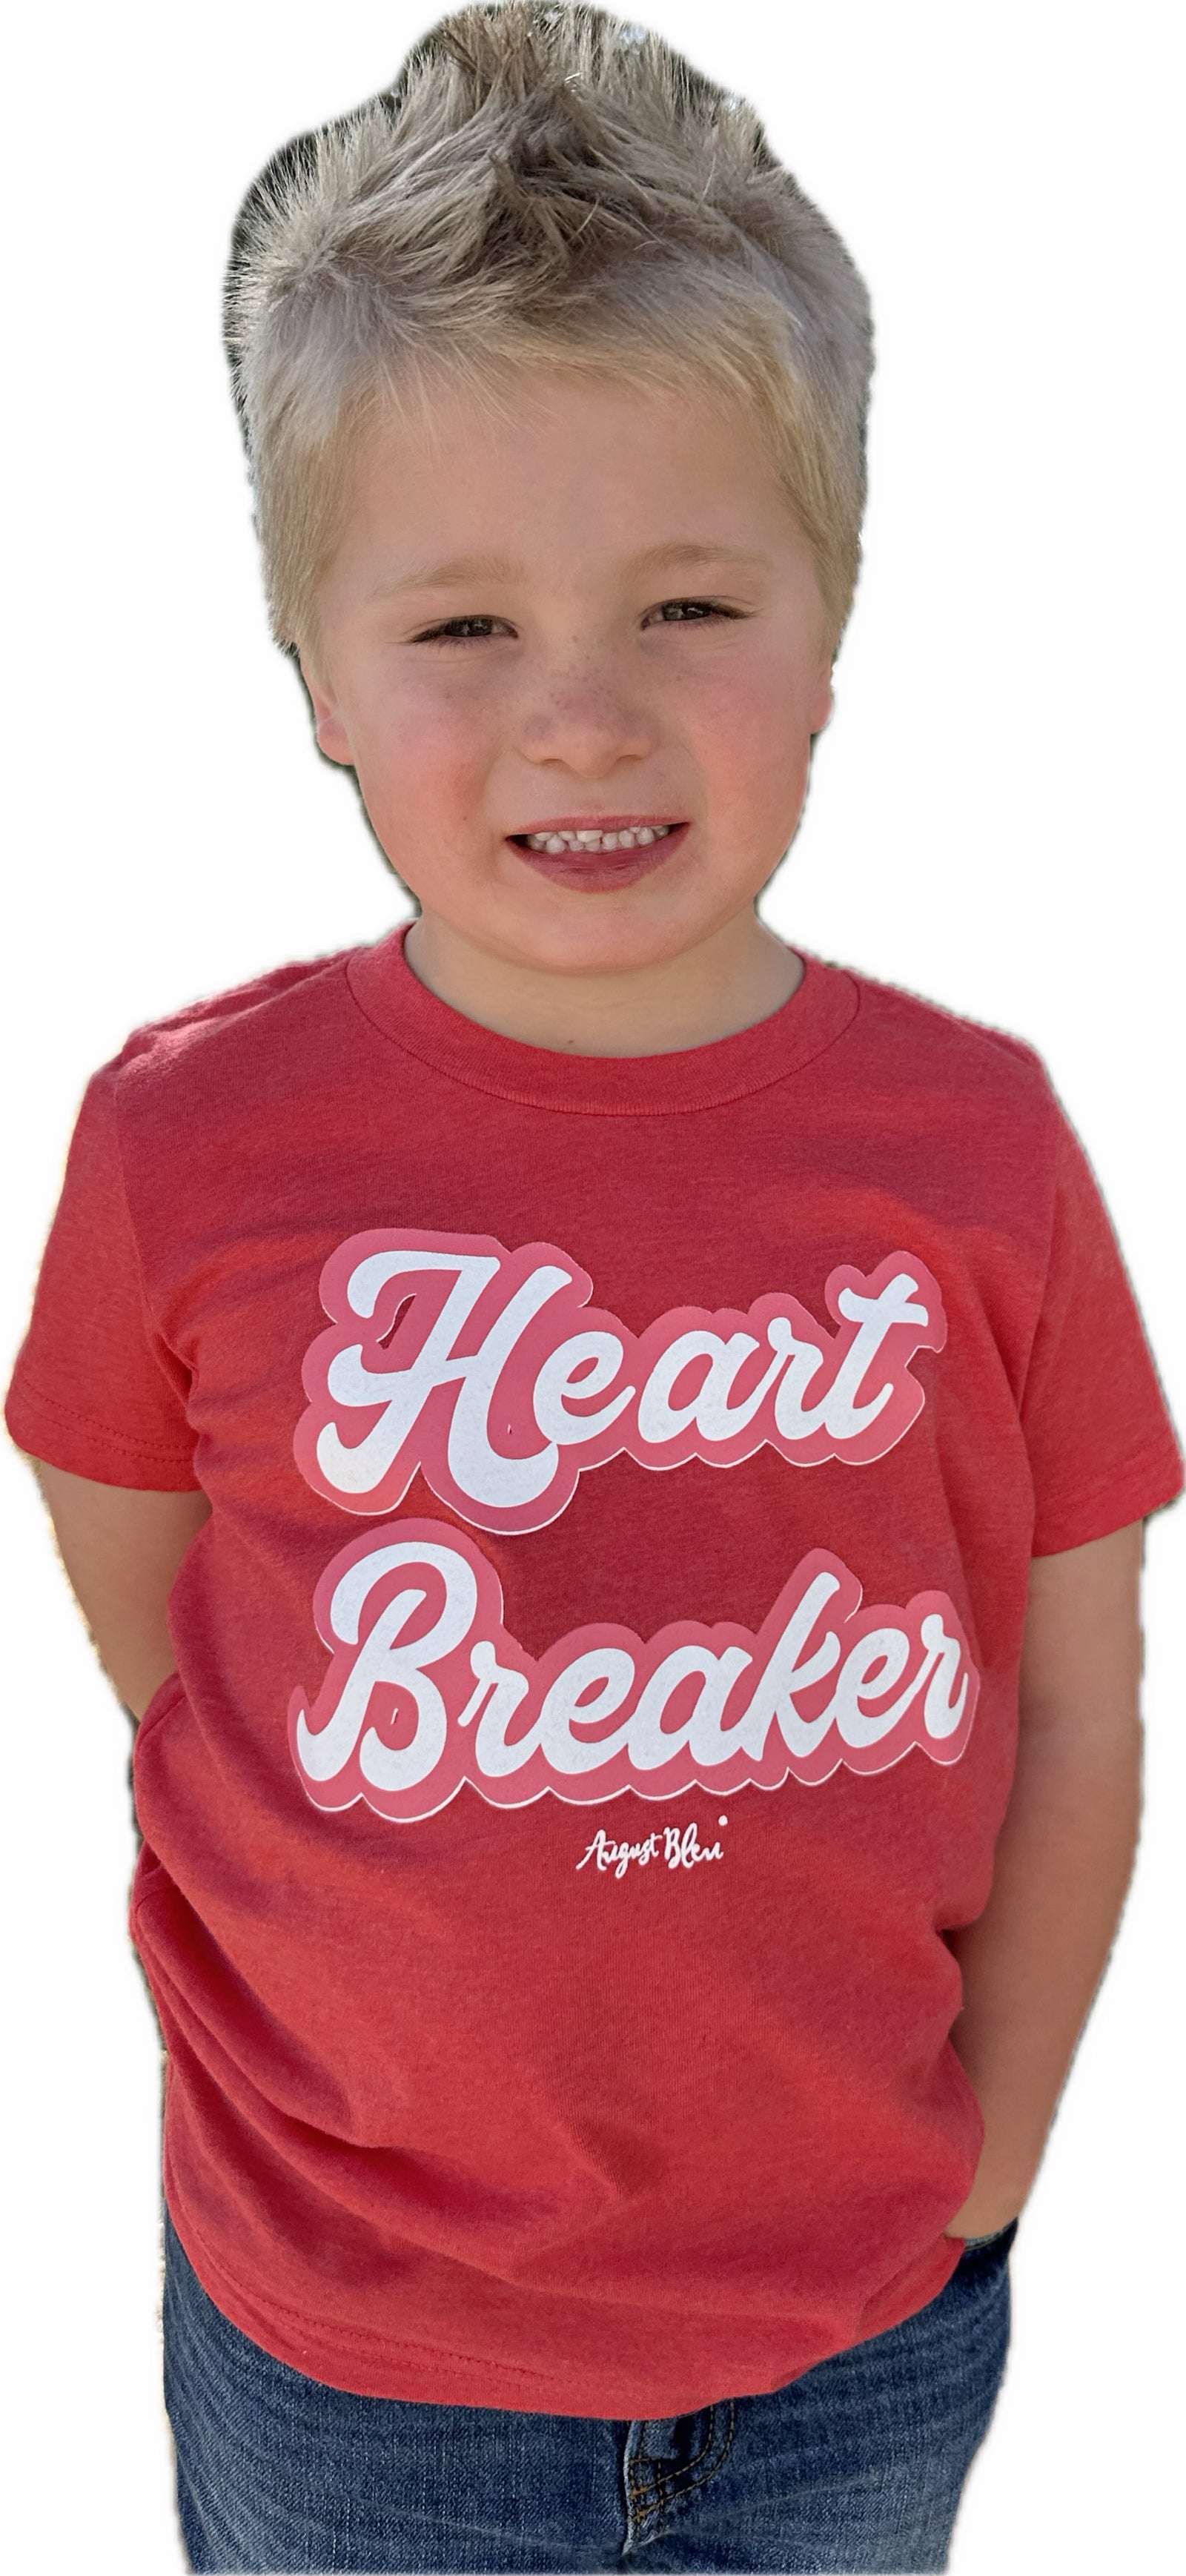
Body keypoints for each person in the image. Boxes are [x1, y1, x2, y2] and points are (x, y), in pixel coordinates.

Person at [5, 5, 1181, 2569]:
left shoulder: (979, 1147)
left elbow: (1078, 1699)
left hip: (862, 2341)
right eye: (458, 631)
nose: (586, 712)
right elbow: (177, 1619)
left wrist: (983, 2166)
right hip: (356, 2352)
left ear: (833, 625)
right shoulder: (183, 1140)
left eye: (684, 599)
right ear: (307, 667)